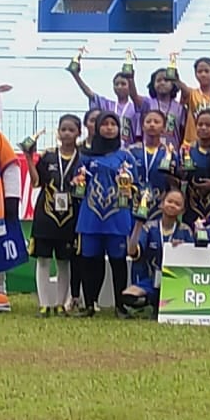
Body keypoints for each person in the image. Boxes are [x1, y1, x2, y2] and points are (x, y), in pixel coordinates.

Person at [75, 112, 135, 319]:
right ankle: (90, 304)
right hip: (90, 216)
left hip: (117, 216)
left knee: (118, 262)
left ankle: (120, 306)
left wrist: (129, 187)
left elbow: (134, 185)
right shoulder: (85, 156)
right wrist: (77, 183)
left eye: (113, 124)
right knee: (90, 261)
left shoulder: (125, 156)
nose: (109, 128)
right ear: (97, 127)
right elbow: (77, 185)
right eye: (105, 124)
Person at [28, 114, 82, 317]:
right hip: (46, 216)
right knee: (43, 260)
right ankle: (44, 304)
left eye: (71, 130)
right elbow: (36, 182)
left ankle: (60, 304)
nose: (67, 133)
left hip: (70, 217)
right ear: (58, 132)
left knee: (64, 261)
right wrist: (28, 158)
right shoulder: (48, 156)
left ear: (79, 133)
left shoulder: (82, 158)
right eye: (63, 129)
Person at [125, 189, 192, 316]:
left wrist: (183, 248)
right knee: (129, 296)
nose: (172, 205)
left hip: (176, 280)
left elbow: (192, 260)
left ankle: (162, 304)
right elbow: (132, 252)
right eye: (169, 201)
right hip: (152, 279)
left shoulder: (185, 230)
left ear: (182, 210)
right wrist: (138, 225)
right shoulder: (149, 227)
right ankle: (152, 303)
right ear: (161, 204)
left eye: (177, 204)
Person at [69, 66, 140, 147]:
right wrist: (76, 75)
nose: (119, 87)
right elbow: (90, 94)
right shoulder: (107, 105)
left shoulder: (135, 108)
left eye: (123, 84)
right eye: (116, 84)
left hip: (128, 148)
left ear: (130, 86)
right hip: (106, 147)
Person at [128, 109, 177, 223]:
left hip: (159, 205)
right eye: (148, 121)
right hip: (135, 202)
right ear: (143, 127)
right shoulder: (131, 151)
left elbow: (175, 182)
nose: (152, 124)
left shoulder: (170, 153)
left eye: (156, 122)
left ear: (164, 128)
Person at [175, 57, 210, 147]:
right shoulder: (191, 93)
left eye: (207, 71)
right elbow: (183, 88)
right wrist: (176, 80)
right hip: (192, 143)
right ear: (195, 74)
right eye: (199, 72)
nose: (203, 74)